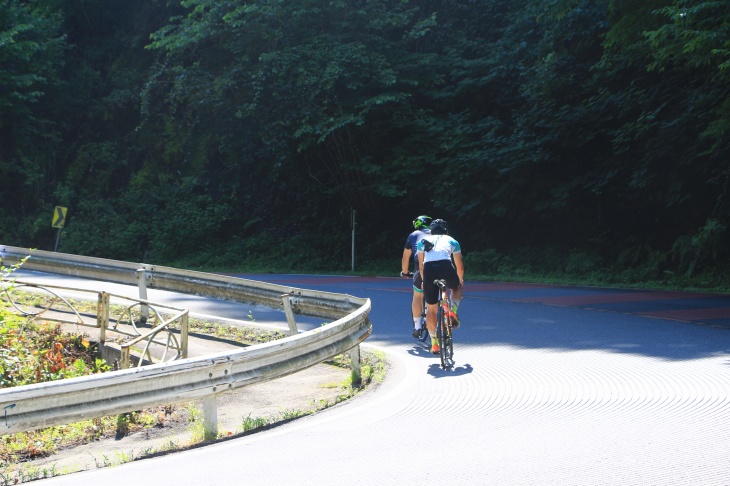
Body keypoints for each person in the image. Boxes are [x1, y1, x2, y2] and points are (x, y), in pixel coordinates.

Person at [417, 219, 464, 355]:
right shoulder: (452, 241)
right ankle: (453, 310)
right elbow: (459, 267)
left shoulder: (423, 241)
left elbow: (421, 266)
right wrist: (459, 281)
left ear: (431, 231)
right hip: (445, 267)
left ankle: (435, 343)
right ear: (446, 231)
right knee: (456, 287)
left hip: (429, 270)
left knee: (431, 309)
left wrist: (425, 280)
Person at [401, 215, 432, 338]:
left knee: (418, 296)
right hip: (441, 265)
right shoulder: (437, 234)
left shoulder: (413, 235)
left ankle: (418, 326)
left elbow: (406, 256)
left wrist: (405, 272)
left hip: (421, 265)